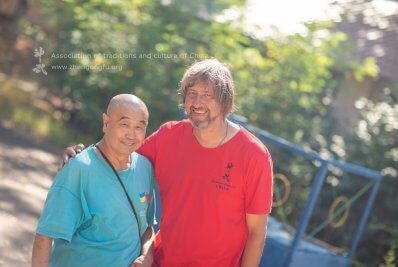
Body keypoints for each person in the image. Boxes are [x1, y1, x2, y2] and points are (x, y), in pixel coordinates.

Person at [62, 58, 273, 267]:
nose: (198, 103)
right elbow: (120, 157)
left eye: (208, 95)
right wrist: (84, 156)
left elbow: (257, 232)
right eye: (192, 94)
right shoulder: (169, 136)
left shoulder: (254, 156)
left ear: (225, 101)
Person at [32, 94, 156, 267]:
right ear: (106, 123)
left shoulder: (145, 167)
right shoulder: (78, 168)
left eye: (139, 127)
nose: (131, 134)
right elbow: (45, 235)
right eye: (124, 124)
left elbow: (147, 227)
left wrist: (146, 257)